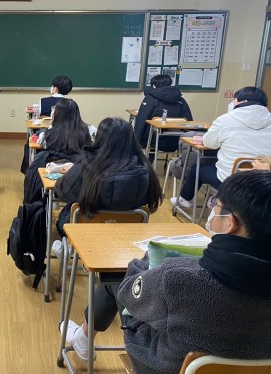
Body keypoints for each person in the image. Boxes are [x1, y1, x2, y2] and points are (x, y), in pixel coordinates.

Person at [61, 170, 271, 373]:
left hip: (163, 367)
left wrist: (148, 258)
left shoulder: (178, 278)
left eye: (215, 206)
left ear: (230, 223)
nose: (213, 212)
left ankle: (83, 339)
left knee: (116, 282)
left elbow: (129, 292)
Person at [53, 117, 162, 237]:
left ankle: (62, 246)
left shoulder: (86, 165)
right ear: (132, 140)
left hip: (85, 233)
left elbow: (64, 192)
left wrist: (67, 175)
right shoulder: (144, 169)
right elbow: (153, 198)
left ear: (99, 138)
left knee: (67, 214)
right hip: (128, 235)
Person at [174, 86, 271, 207]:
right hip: (263, 182)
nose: (232, 102)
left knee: (197, 168)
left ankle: (184, 199)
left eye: (234, 99)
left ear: (242, 102)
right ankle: (218, 198)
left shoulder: (225, 120)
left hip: (231, 180)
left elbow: (209, 143)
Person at [23, 98, 93, 204]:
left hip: (53, 170)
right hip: (76, 173)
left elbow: (41, 142)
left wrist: (51, 124)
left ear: (57, 115)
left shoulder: (51, 133)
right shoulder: (88, 130)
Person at [133, 73, 193, 152]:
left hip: (153, 140)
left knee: (148, 127)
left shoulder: (150, 98)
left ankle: (150, 158)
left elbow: (141, 120)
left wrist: (136, 143)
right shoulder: (181, 100)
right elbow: (189, 121)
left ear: (154, 86)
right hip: (176, 140)